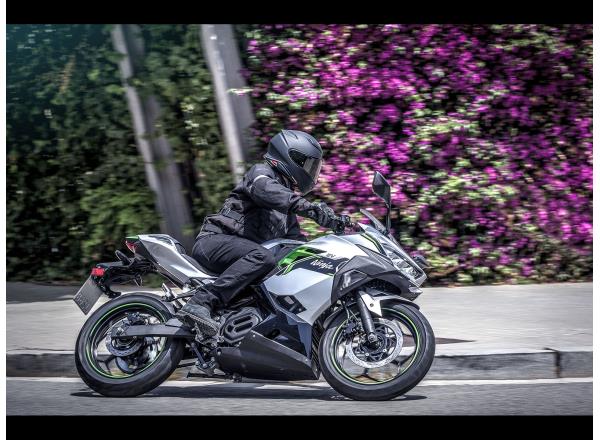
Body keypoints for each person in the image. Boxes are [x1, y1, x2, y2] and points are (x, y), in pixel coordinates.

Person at [177, 129, 345, 335]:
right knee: (263, 257)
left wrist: (328, 259)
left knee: (283, 267)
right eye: (309, 165)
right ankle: (200, 302)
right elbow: (267, 191)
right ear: (292, 158)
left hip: (243, 255)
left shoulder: (286, 212)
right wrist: (312, 210)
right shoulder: (261, 174)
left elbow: (297, 248)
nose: (312, 172)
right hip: (213, 242)